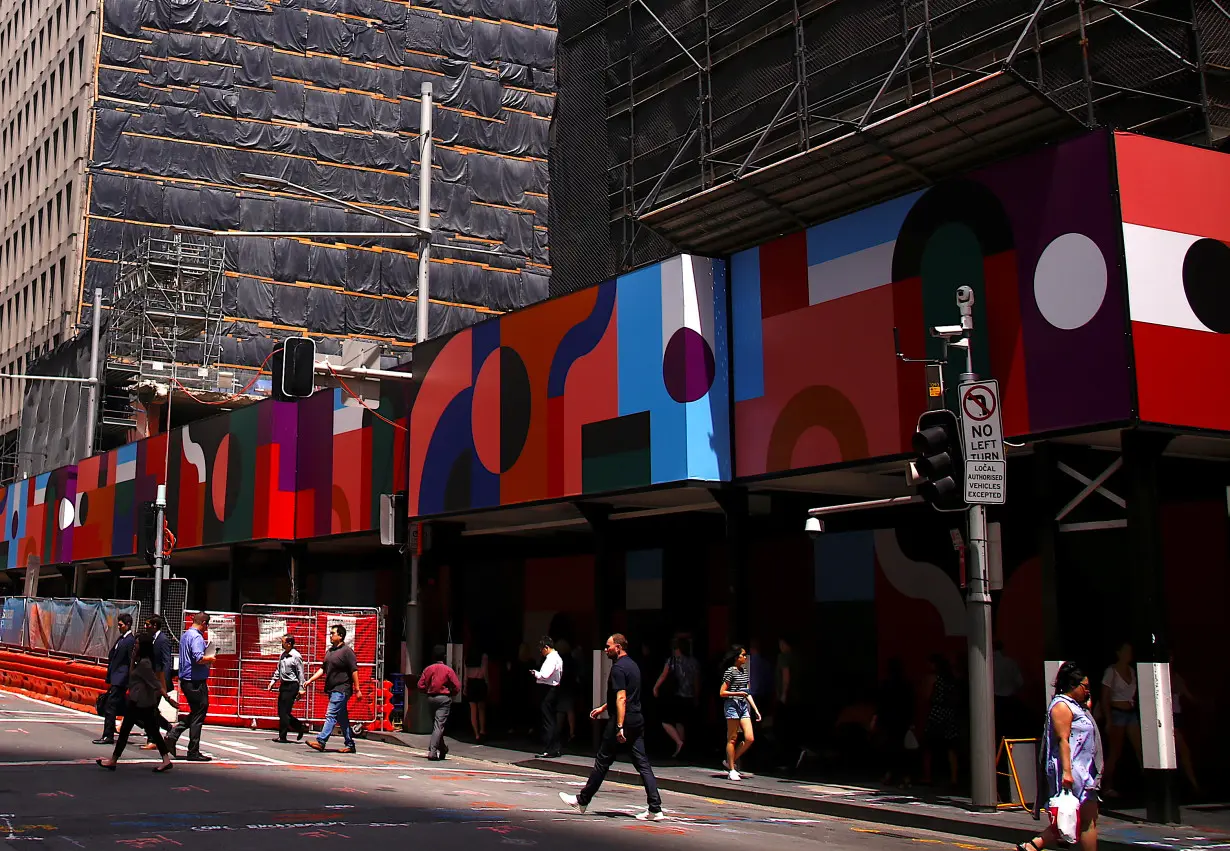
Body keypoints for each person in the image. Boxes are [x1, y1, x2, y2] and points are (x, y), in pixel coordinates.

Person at [559, 633, 664, 821]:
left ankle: (582, 801)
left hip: (623, 720)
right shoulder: (633, 666)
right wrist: (603, 707)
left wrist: (619, 726)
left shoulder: (618, 669)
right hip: (637, 719)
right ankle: (655, 808)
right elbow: (626, 696)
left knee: (602, 760)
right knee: (643, 764)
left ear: (619, 647)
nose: (606, 649)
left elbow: (622, 698)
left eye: (608, 647)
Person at [1018, 662, 1101, 851]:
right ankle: (1032, 846)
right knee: (1078, 818)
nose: (1088, 690)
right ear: (1073, 685)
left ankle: (1031, 847)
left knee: (1081, 818)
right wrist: (1067, 773)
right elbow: (1063, 740)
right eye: (1085, 687)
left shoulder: (1076, 706)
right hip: (1072, 769)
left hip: (1084, 769)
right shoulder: (1062, 706)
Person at [96, 631, 173, 773]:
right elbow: (132, 676)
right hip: (138, 701)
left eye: (137, 644)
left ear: (142, 646)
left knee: (129, 731)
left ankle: (113, 760)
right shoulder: (140, 661)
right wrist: (132, 659)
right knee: (150, 731)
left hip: (140, 703)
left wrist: (168, 699)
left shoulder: (145, 664)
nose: (134, 645)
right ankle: (165, 759)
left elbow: (155, 682)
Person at [165, 612, 216, 762]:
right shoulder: (196, 637)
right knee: (199, 713)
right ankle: (191, 749)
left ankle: (174, 736)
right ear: (204, 623)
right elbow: (198, 658)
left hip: (188, 679)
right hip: (195, 680)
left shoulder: (186, 635)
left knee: (197, 712)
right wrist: (210, 658)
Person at [304, 623, 362, 753]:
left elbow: (354, 670)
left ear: (340, 636)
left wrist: (357, 689)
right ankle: (350, 744)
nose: (330, 635)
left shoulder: (347, 652)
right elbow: (323, 669)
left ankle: (321, 741)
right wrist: (310, 680)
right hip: (332, 689)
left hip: (342, 689)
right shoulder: (330, 651)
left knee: (331, 714)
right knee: (342, 718)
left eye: (332, 633)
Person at [1098, 641, 1141, 798]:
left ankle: (1149, 785)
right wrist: (1108, 719)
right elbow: (1105, 697)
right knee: (1115, 752)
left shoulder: (1131, 671)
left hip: (1131, 713)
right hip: (1117, 713)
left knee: (1140, 749)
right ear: (1119, 653)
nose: (1129, 654)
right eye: (1126, 651)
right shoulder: (1112, 671)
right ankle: (1106, 786)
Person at [653, 637, 700, 759]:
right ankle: (681, 747)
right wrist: (696, 695)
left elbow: (663, 676)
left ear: (678, 649)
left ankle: (679, 742)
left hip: (676, 694)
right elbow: (696, 680)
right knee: (681, 722)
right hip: (689, 695)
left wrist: (656, 688)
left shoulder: (672, 661)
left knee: (665, 720)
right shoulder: (693, 662)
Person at [872, 657, 915, 788]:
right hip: (902, 720)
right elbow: (910, 704)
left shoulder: (886, 685)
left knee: (889, 749)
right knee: (902, 749)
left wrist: (876, 719)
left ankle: (890, 774)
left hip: (888, 720)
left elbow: (881, 704)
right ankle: (904, 777)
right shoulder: (906, 685)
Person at [720, 645, 762, 781]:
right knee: (732, 738)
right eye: (743, 655)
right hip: (732, 705)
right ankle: (732, 768)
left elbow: (747, 693)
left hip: (743, 705)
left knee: (750, 737)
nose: (745, 657)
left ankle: (731, 760)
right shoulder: (730, 672)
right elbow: (722, 692)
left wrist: (755, 710)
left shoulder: (744, 671)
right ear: (736, 657)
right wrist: (738, 693)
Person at [94, 613, 136, 746]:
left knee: (110, 706)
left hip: (121, 679)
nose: (119, 627)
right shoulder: (122, 639)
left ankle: (108, 735)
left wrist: (128, 679)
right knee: (127, 708)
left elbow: (131, 661)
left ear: (128, 625)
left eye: (121, 625)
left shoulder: (130, 641)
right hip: (116, 677)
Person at [922, 653, 960, 789]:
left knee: (929, 745)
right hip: (949, 714)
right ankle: (954, 778)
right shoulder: (951, 679)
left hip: (936, 713)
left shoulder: (933, 678)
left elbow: (927, 696)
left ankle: (927, 776)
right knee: (951, 747)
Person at [419, 644, 462, 760]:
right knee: (439, 726)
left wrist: (427, 690)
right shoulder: (448, 670)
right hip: (443, 699)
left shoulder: (428, 669)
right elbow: (457, 687)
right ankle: (432, 752)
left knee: (437, 726)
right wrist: (450, 694)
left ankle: (442, 749)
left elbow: (420, 685)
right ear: (444, 656)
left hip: (430, 698)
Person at [139, 615, 176, 751]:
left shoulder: (163, 640)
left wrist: (163, 684)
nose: (145, 626)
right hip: (148, 680)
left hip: (158, 682)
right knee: (149, 710)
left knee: (149, 710)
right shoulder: (150, 639)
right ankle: (167, 727)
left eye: (148, 624)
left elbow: (166, 662)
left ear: (155, 626)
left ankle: (153, 739)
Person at [267, 634, 308, 743]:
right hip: (284, 684)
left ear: (289, 644)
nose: (282, 643)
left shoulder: (296, 656)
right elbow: (278, 670)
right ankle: (299, 726)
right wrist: (272, 681)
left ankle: (283, 736)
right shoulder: (282, 655)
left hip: (292, 685)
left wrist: (301, 688)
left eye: (283, 642)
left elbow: (300, 673)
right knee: (282, 712)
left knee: (285, 712)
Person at [1169, 653, 1200, 794]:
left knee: (1182, 752)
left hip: (1176, 716)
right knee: (1179, 752)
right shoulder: (1159, 676)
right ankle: (1192, 785)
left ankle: (1192, 784)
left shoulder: (1177, 678)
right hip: (1168, 718)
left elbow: (1189, 696)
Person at [531, 636, 563, 758]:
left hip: (548, 689)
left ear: (546, 647)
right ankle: (555, 747)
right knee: (552, 719)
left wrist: (536, 673)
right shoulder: (558, 658)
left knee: (548, 720)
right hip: (554, 689)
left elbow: (545, 675)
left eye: (541, 649)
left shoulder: (551, 659)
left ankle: (549, 748)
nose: (541, 652)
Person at [995, 640, 1025, 739]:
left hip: (994, 701)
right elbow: (1020, 682)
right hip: (1009, 700)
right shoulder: (1010, 662)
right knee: (1010, 731)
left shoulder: (988, 663)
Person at [463, 647, 489, 743]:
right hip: (480, 683)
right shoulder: (483, 656)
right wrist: (488, 684)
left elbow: (465, 674)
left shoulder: (467, 657)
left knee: (473, 710)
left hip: (471, 683)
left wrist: (465, 686)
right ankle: (482, 731)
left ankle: (476, 734)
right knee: (481, 709)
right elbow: (484, 672)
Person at [556, 639, 578, 746]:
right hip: (570, 687)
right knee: (569, 710)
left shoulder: (560, 660)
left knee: (561, 710)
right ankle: (572, 732)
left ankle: (558, 732)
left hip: (563, 687)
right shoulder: (572, 659)